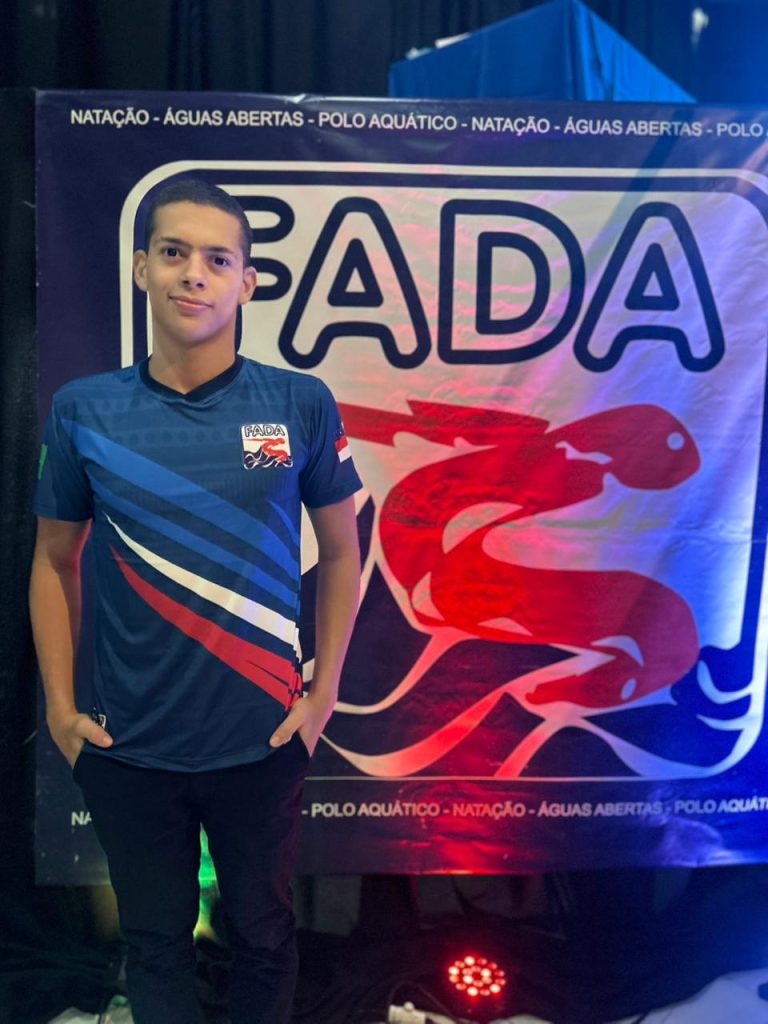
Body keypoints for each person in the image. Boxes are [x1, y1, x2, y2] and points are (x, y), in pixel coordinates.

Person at [29, 179, 362, 1023]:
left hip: (262, 741)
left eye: (217, 259)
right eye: (174, 252)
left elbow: (343, 552)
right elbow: (53, 561)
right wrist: (62, 711)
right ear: (141, 267)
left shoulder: (297, 403)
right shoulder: (85, 409)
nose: (194, 274)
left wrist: (322, 695)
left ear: (247, 282)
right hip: (130, 748)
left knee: (263, 937)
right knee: (155, 946)